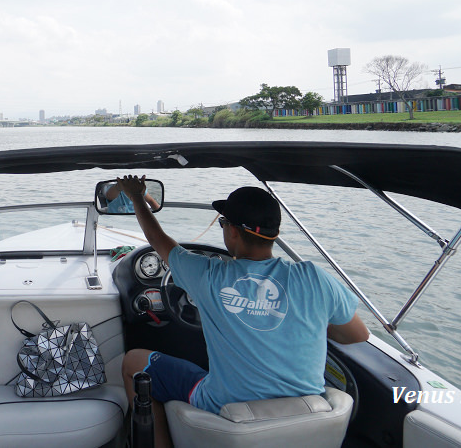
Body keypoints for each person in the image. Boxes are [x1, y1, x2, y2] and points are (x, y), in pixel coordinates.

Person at [116, 176, 369, 448]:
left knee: (133, 362)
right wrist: (300, 316)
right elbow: (357, 334)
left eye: (223, 223)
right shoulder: (314, 278)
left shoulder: (208, 275)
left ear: (232, 231)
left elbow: (157, 238)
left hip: (228, 409)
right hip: (306, 413)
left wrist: (137, 197)